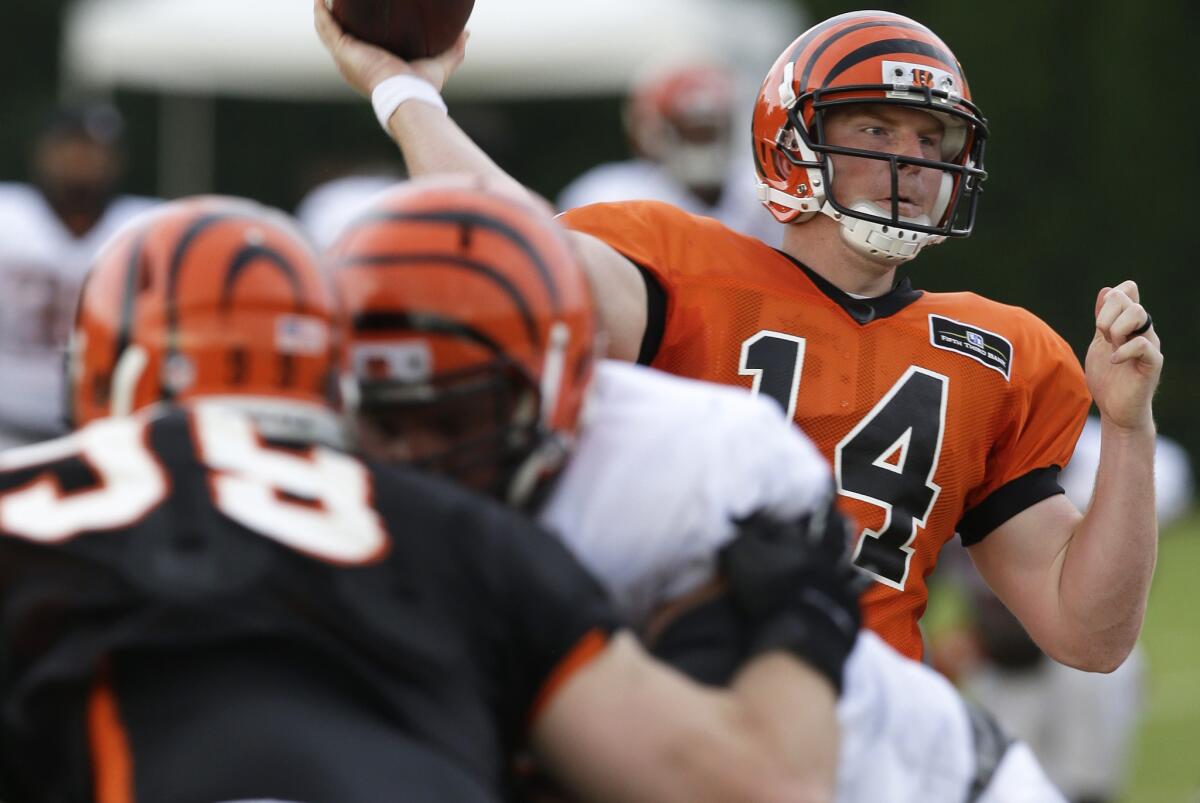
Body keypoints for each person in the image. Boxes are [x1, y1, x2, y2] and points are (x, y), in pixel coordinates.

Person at [314, 0, 1163, 671]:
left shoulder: (998, 352)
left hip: (874, 729)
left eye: (932, 137)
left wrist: (1127, 431)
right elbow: (510, 248)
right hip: (681, 702)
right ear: (792, 137)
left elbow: (1088, 634)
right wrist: (406, 92)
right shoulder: (682, 267)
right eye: (875, 128)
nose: (912, 160)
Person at [0, 194, 847, 803]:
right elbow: (759, 782)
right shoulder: (463, 530)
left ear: (98, 377)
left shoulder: (24, 504)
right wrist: (806, 611)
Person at [328, 180, 1066, 803]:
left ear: (563, 371)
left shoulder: (686, 460)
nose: (416, 454)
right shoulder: (299, 517)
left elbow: (766, 778)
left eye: (456, 411)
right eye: (387, 419)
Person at [934, 418, 1194, 803]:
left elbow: (1117, 571)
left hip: (1080, 664)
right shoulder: (949, 468)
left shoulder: (1091, 456)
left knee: (1084, 786)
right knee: (1008, 788)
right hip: (1002, 661)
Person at [0, 101, 157, 449]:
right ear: (43, 151)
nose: (81, 159)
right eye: (70, 145)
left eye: (93, 148)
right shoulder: (8, 215)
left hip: (105, 433)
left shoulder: (148, 227)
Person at [556, 61, 783, 245]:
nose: (702, 143)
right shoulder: (610, 194)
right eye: (689, 131)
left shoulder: (767, 192)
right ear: (653, 130)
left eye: (710, 131)